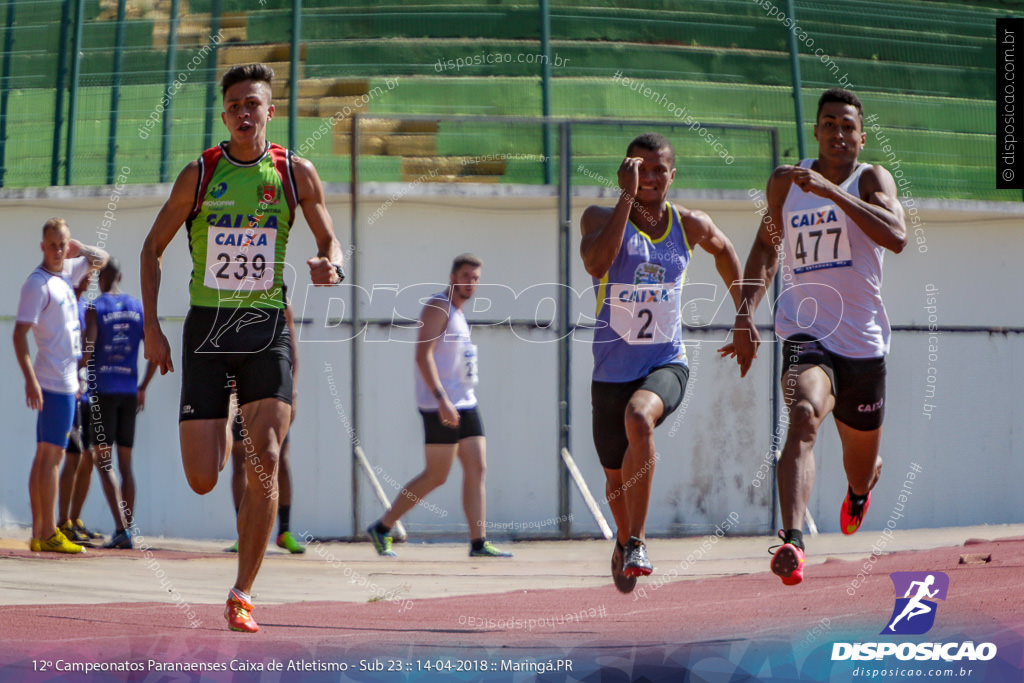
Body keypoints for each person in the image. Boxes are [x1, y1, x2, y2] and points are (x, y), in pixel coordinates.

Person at [140, 63, 345, 632]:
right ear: (224, 114)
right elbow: (151, 249)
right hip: (207, 329)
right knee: (203, 477)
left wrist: (333, 265)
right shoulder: (200, 173)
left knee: (269, 458)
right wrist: (152, 329)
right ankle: (229, 420)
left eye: (253, 104)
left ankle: (242, 592)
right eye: (234, 105)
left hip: (264, 328)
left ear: (270, 111)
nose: (244, 113)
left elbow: (329, 236)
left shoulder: (294, 172)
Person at [724, 88, 906, 586]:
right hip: (805, 329)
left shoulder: (870, 178)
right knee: (803, 415)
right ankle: (793, 541)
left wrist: (835, 194)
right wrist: (745, 312)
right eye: (830, 124)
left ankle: (862, 487)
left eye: (848, 127)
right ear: (817, 131)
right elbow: (766, 244)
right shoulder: (787, 183)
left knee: (859, 468)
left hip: (864, 344)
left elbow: (897, 236)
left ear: (861, 138)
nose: (838, 134)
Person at [580, 133, 742, 593]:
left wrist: (744, 315)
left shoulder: (688, 224)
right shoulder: (599, 216)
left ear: (673, 175)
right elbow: (597, 263)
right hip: (610, 370)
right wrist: (625, 199)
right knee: (615, 476)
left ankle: (638, 541)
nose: (650, 177)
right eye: (641, 169)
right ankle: (623, 538)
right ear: (625, 171)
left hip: (666, 362)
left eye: (659, 170)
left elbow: (725, 251)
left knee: (640, 419)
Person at [367, 254, 512, 559]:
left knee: (477, 467)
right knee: (436, 475)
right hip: (439, 405)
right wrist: (440, 398)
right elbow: (422, 355)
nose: (471, 284)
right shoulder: (438, 307)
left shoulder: (458, 313)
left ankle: (478, 542)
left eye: (476, 278)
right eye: (466, 276)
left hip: (465, 402)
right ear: (452, 277)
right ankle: (382, 527)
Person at [14, 218, 108, 553]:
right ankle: (47, 530)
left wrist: (77, 247)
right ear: (42, 246)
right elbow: (19, 335)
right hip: (52, 381)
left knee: (46, 456)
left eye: (61, 245)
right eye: (52, 245)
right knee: (51, 457)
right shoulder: (37, 284)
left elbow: (103, 258)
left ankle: (41, 533)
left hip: (68, 382)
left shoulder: (66, 272)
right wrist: (30, 381)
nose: (57, 251)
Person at [83, 258, 158, 549]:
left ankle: (121, 528)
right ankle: (129, 526)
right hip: (129, 392)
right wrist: (143, 387)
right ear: (121, 277)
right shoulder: (137, 307)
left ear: (100, 279)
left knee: (103, 463)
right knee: (126, 465)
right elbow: (153, 350)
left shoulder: (95, 307)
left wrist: (74, 365)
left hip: (102, 391)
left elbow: (89, 349)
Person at [225, 304, 304, 554]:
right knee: (240, 461)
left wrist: (293, 389)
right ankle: (243, 530)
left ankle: (285, 530)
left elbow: (292, 348)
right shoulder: (231, 298)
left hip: (271, 390)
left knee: (279, 458)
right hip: (239, 392)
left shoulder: (282, 304)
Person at [58, 274, 105, 546]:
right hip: (71, 391)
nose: (90, 279)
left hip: (88, 392)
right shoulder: (67, 304)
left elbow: (88, 350)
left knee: (88, 456)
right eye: (85, 274)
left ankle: (74, 519)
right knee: (73, 456)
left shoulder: (86, 306)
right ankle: (62, 521)